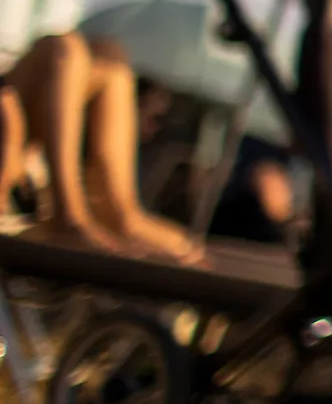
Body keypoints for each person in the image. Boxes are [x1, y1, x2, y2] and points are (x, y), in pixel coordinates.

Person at [0, 31, 204, 263]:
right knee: (66, 50)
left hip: (33, 176)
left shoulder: (71, 157)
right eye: (153, 117)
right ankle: (69, 217)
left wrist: (186, 248)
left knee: (111, 62)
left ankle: (94, 217)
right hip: (20, 169)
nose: (153, 128)